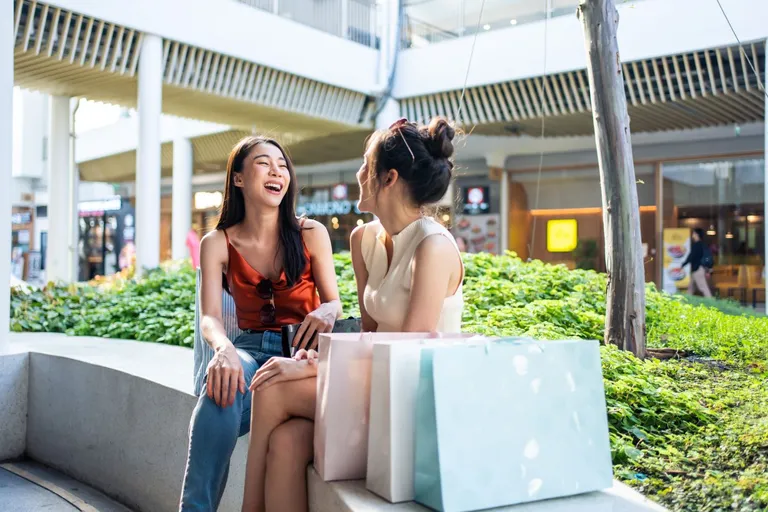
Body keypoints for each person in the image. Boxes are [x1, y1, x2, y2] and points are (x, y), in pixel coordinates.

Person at [240, 117, 464, 512]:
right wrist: (319, 362)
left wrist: (312, 371)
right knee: (287, 443)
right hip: (374, 388)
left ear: (388, 177)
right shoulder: (364, 239)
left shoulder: (434, 247)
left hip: (412, 402)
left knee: (272, 388)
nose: (360, 173)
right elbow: (369, 334)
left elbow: (404, 356)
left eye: (366, 164)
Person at [179, 136, 342, 511]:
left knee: (223, 392)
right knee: (223, 385)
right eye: (264, 163)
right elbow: (210, 317)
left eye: (283, 166)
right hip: (251, 351)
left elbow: (334, 301)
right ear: (237, 179)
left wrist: (327, 311)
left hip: (305, 354)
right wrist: (224, 350)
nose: (277, 172)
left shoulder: (311, 233)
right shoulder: (216, 241)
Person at [681, 227, 713, 298]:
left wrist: (683, 264)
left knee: (703, 287)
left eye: (694, 233)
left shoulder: (696, 245)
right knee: (690, 289)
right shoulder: (702, 245)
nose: (692, 235)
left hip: (698, 269)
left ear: (697, 234)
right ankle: (685, 302)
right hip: (697, 269)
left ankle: (712, 303)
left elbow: (691, 256)